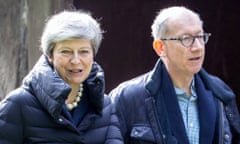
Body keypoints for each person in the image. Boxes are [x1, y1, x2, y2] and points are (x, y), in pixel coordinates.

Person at [110, 6, 240, 144]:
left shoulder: (220, 93)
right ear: (160, 47)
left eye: (200, 36)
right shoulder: (127, 98)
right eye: (186, 38)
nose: (198, 47)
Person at [0, 10, 123, 143]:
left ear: (93, 54)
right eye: (66, 52)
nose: (76, 60)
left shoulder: (104, 105)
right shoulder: (18, 104)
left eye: (84, 52)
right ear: (50, 56)